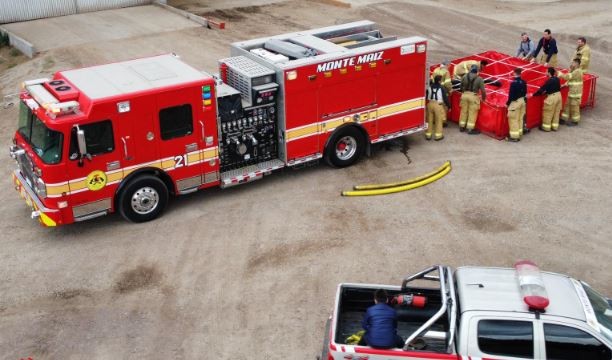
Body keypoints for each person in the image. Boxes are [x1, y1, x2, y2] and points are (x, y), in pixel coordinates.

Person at [459, 64, 486, 134]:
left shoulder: (464, 76)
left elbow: (461, 86)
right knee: (472, 113)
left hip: (464, 95)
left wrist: (463, 92)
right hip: (473, 97)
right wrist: (483, 98)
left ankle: (462, 127)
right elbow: (483, 91)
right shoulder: (479, 79)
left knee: (463, 111)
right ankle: (470, 129)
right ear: (477, 71)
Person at [533, 67, 562, 131]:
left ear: (549, 73)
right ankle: (555, 127)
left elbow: (541, 90)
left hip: (552, 97)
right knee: (556, 113)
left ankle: (546, 128)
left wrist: (533, 95)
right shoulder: (557, 79)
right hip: (559, 96)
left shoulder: (549, 81)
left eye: (546, 72)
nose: (545, 73)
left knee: (548, 112)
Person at [559, 58, 584, 126]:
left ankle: (575, 121)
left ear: (576, 63)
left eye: (573, 63)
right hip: (572, 92)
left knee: (574, 107)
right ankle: (563, 119)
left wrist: (560, 74)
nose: (571, 64)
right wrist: (565, 84)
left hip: (575, 94)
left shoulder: (577, 71)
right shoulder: (574, 70)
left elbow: (568, 77)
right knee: (567, 105)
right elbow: (571, 81)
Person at [425, 75, 451, 141]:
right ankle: (438, 136)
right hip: (438, 105)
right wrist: (449, 106)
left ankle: (428, 135)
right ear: (439, 81)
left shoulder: (429, 87)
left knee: (429, 120)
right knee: (438, 120)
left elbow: (426, 95)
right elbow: (445, 98)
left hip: (430, 104)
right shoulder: (441, 88)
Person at [506, 68, 528, 142]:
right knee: (520, 118)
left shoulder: (513, 83)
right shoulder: (524, 82)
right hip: (522, 101)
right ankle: (519, 133)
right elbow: (525, 92)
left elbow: (511, 95)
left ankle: (514, 137)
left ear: (515, 73)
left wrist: (508, 103)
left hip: (515, 103)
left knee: (513, 119)